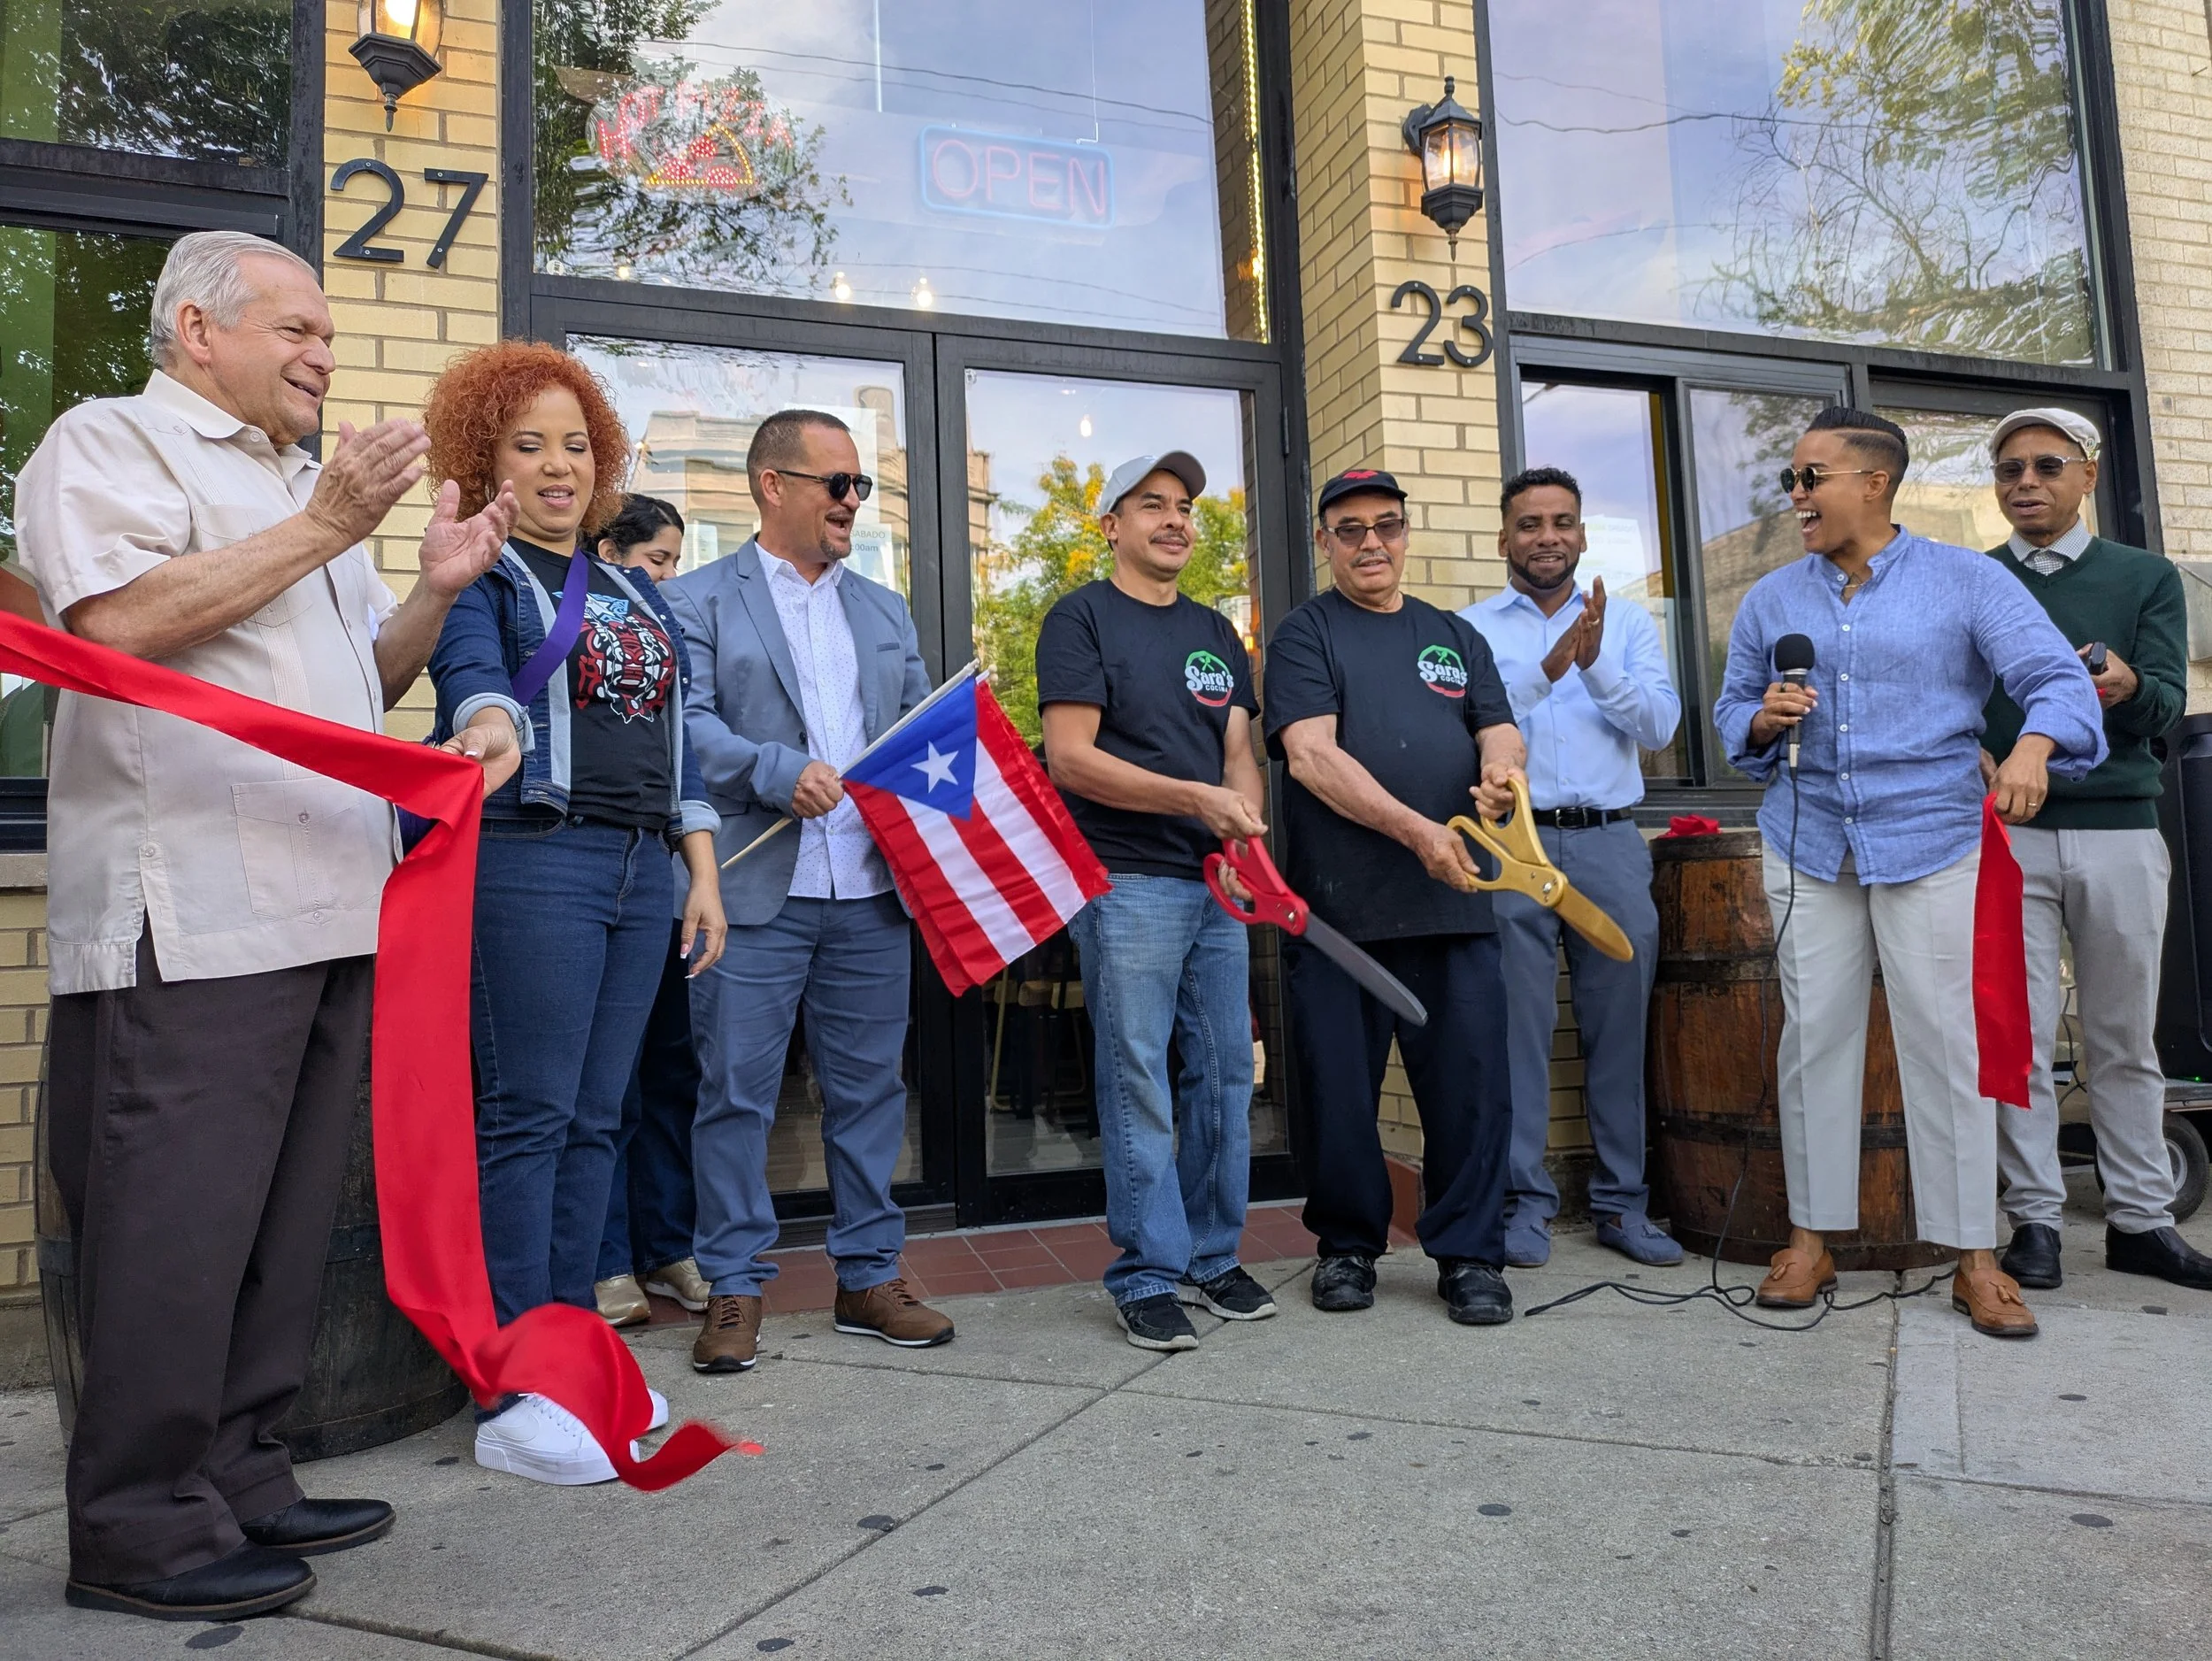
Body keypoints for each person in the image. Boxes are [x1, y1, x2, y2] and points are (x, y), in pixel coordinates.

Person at [20, 230, 518, 1620]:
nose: (324, 357)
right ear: (198, 329)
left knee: (283, 1232)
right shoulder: (110, 443)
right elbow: (110, 629)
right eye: (296, 329)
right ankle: (138, 1528)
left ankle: (240, 1472)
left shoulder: (304, 487)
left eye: (329, 336)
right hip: (191, 916)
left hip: (329, 902)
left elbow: (360, 685)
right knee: (173, 1232)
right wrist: (329, 528)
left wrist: (433, 590)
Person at [1713, 407, 2104, 1341]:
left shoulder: (1965, 579)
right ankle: (1810, 1241)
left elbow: (2057, 679)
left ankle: (1974, 1257)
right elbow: (1731, 708)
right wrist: (1761, 719)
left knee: (1944, 1046)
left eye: (1811, 477)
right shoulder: (1771, 598)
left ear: (1874, 482)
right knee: (1814, 1040)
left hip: (1932, 838)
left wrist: (2032, 748)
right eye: (1791, 480)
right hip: (1809, 840)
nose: (1796, 494)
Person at [425, 343, 727, 1483]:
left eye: (575, 444)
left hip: (641, 869)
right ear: (486, 458)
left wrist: (700, 870)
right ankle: (513, 1385)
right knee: (532, 1117)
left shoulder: (635, 588)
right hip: (534, 859)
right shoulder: (487, 572)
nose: (558, 465)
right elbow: (470, 675)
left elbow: (674, 740)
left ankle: (569, 1347)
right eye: (528, 444)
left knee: (599, 1117)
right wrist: (488, 723)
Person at [665, 409, 954, 1374]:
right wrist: (773, 769)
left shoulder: (883, 607)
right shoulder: (698, 598)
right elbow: (684, 725)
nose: (852, 500)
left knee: (871, 1092)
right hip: (750, 890)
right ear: (771, 485)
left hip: (869, 888)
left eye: (859, 484)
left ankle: (869, 1276)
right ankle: (734, 1285)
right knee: (735, 1097)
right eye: (836, 483)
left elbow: (916, 725)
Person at [1266, 467, 1527, 1325]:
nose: (1370, 542)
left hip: (1457, 905)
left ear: (1406, 533)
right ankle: (1347, 1247)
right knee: (1340, 1092)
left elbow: (1499, 727)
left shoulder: (1454, 635)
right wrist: (1421, 833)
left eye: (1386, 524)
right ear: (1324, 542)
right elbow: (1311, 755)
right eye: (1349, 529)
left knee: (1471, 1088)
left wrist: (1502, 776)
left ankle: (1471, 1255)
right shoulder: (1306, 634)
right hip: (1341, 913)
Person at [1037, 450, 1278, 1351]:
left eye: (1184, 506)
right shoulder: (1081, 618)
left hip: (1217, 885)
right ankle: (1145, 1270)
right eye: (1151, 505)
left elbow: (1238, 751)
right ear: (1111, 525)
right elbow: (1071, 758)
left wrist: (1243, 831)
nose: (1174, 519)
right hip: (1126, 879)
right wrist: (1197, 801)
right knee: (1137, 1076)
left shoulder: (1215, 630)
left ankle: (1212, 1256)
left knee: (1224, 1071)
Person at [1977, 408, 2212, 1293]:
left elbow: (2165, 702)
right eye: (2009, 468)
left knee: (2123, 1036)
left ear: (2088, 474)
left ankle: (2141, 1221)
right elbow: (1953, 699)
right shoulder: (1975, 578)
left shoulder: (2145, 577)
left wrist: (2123, 684)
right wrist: (1971, 752)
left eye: (2046, 465)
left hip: (2119, 829)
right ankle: (2034, 1220)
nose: (2025, 482)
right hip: (2008, 837)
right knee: (2019, 1036)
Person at [1465, 467, 1684, 1271]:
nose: (1547, 537)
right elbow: (1465, 726)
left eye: (1562, 522)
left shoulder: (1627, 622)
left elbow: (1660, 725)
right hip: (1512, 846)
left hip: (1609, 844)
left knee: (1620, 1030)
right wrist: (1551, 666)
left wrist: (1596, 665)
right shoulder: (1468, 629)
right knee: (1515, 1031)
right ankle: (1524, 1204)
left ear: (1583, 535)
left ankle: (1623, 1204)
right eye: (1529, 524)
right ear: (1504, 538)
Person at [588, 496, 713, 1327]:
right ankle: (605, 1262)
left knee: (671, 1075)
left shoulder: (666, 640)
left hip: (668, 899)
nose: (667, 578)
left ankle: (668, 1245)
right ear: (609, 553)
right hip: (598, 887)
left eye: (674, 562)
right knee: (609, 1087)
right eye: (656, 560)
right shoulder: (587, 632)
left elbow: (682, 759)